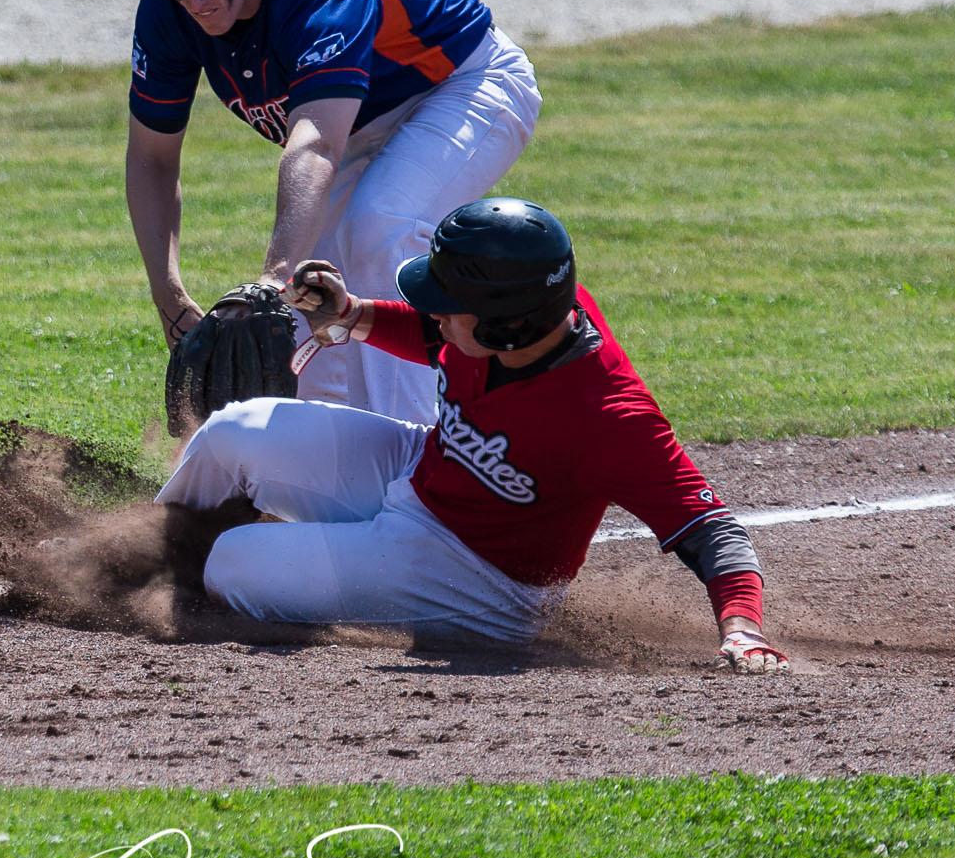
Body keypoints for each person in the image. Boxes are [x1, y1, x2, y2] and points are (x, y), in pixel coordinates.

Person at [155, 198, 789, 671]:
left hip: (477, 576)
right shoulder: (520, 320)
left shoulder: (609, 419)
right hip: (421, 470)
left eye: (449, 302)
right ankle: (143, 556)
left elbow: (712, 532)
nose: (436, 311)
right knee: (231, 430)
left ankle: (234, 572)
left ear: (507, 328)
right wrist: (351, 315)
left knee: (233, 562)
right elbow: (433, 333)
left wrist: (743, 628)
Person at [123, 0, 541, 425]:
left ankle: (418, 462)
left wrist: (270, 280)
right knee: (307, 296)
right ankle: (314, 480)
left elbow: (316, 144)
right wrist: (168, 295)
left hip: (462, 84)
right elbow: (151, 157)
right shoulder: (169, 6)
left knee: (376, 230)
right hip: (351, 122)